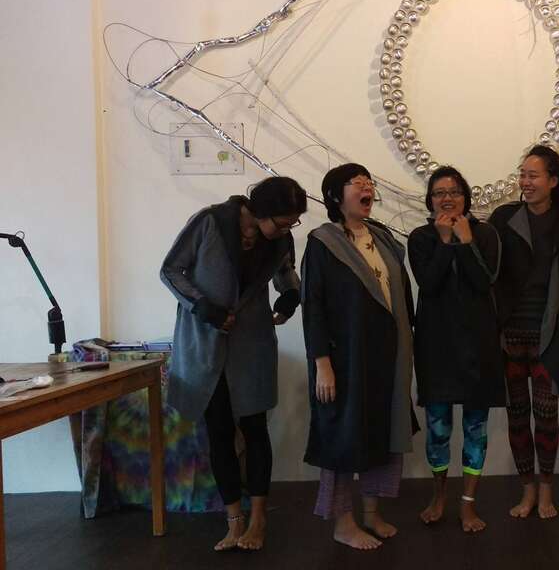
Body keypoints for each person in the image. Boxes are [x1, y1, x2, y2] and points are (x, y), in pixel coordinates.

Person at [160, 176, 308, 551]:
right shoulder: (209, 221)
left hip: (252, 341)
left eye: (292, 223)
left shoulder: (279, 240)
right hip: (205, 341)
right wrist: (202, 306)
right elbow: (171, 270)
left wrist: (291, 295)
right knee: (220, 432)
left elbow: (285, 273)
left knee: (256, 429)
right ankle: (233, 521)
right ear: (260, 211)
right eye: (282, 222)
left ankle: (258, 518)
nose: (286, 230)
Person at [301, 163, 415, 550]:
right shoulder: (323, 242)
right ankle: (343, 522)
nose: (367, 187)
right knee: (342, 438)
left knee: (383, 432)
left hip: (386, 357)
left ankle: (371, 513)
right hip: (344, 359)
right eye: (357, 182)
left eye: (369, 182)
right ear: (336, 195)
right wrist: (322, 364)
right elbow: (313, 306)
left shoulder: (381, 238)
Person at [489, 145, 559, 519]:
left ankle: (546, 491)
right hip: (509, 334)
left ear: (553, 181)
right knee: (516, 415)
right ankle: (527, 491)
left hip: (547, 335)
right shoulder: (503, 219)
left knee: (547, 416)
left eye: (533, 175)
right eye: (523, 175)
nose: (526, 182)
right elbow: (489, 274)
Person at [408, 166, 504, 533]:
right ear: (430, 200)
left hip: (478, 345)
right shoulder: (420, 237)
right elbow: (428, 284)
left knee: (476, 427)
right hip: (436, 346)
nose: (447, 198)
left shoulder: (486, 233)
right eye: (439, 193)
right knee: (438, 429)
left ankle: (468, 503)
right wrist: (446, 241)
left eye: (454, 192)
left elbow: (484, 281)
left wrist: (465, 242)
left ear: (466, 197)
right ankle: (439, 496)